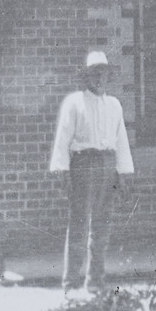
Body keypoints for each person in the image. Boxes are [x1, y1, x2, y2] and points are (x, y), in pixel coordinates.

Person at [51, 49, 133, 295]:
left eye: (103, 73)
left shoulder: (114, 105)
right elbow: (63, 138)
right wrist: (62, 170)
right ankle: (71, 283)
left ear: (109, 76)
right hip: (83, 165)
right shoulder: (74, 103)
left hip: (108, 165)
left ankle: (95, 281)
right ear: (86, 76)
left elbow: (121, 141)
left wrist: (124, 173)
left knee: (102, 226)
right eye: (94, 73)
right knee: (78, 225)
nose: (99, 78)